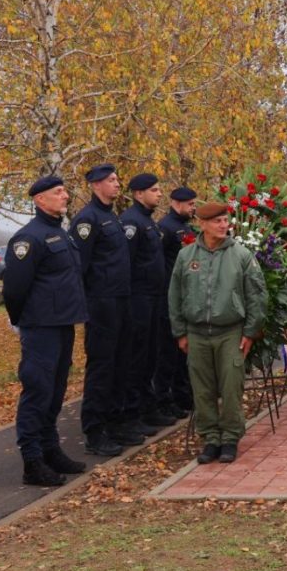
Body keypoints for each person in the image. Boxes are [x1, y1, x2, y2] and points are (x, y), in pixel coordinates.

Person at [3, 176, 97, 483]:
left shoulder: (61, 233)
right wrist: (21, 322)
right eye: (58, 192)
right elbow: (15, 289)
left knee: (55, 393)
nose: (66, 196)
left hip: (62, 325)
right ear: (39, 200)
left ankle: (50, 450)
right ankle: (32, 461)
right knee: (38, 392)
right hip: (40, 328)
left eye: (65, 191)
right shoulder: (28, 238)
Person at [168, 201, 266, 464]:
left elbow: (256, 295)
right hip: (197, 333)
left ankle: (230, 439)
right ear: (203, 224)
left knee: (231, 387)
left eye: (226, 220)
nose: (224, 225)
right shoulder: (186, 256)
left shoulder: (241, 255)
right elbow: (175, 295)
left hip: (230, 332)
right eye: (218, 221)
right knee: (202, 389)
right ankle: (210, 438)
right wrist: (180, 332)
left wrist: (250, 331)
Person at [70, 163, 142, 453]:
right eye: (111, 180)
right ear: (95, 184)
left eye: (117, 179)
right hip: (101, 305)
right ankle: (95, 430)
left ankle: (116, 422)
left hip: (121, 301)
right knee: (102, 366)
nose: (117, 184)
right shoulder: (87, 220)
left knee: (121, 364)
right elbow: (80, 266)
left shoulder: (109, 216)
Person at [119, 173, 176, 430]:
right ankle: (133, 412)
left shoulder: (148, 221)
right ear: (138, 194)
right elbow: (127, 264)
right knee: (138, 356)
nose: (159, 193)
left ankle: (147, 406)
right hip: (138, 299)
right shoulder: (130, 222)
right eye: (154, 190)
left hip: (154, 297)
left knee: (151, 354)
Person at [153, 186, 197, 415]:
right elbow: (160, 264)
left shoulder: (186, 227)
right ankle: (163, 399)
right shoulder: (165, 228)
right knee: (167, 352)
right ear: (176, 203)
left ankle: (183, 395)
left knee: (183, 354)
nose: (193, 208)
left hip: (186, 297)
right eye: (190, 204)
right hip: (168, 296)